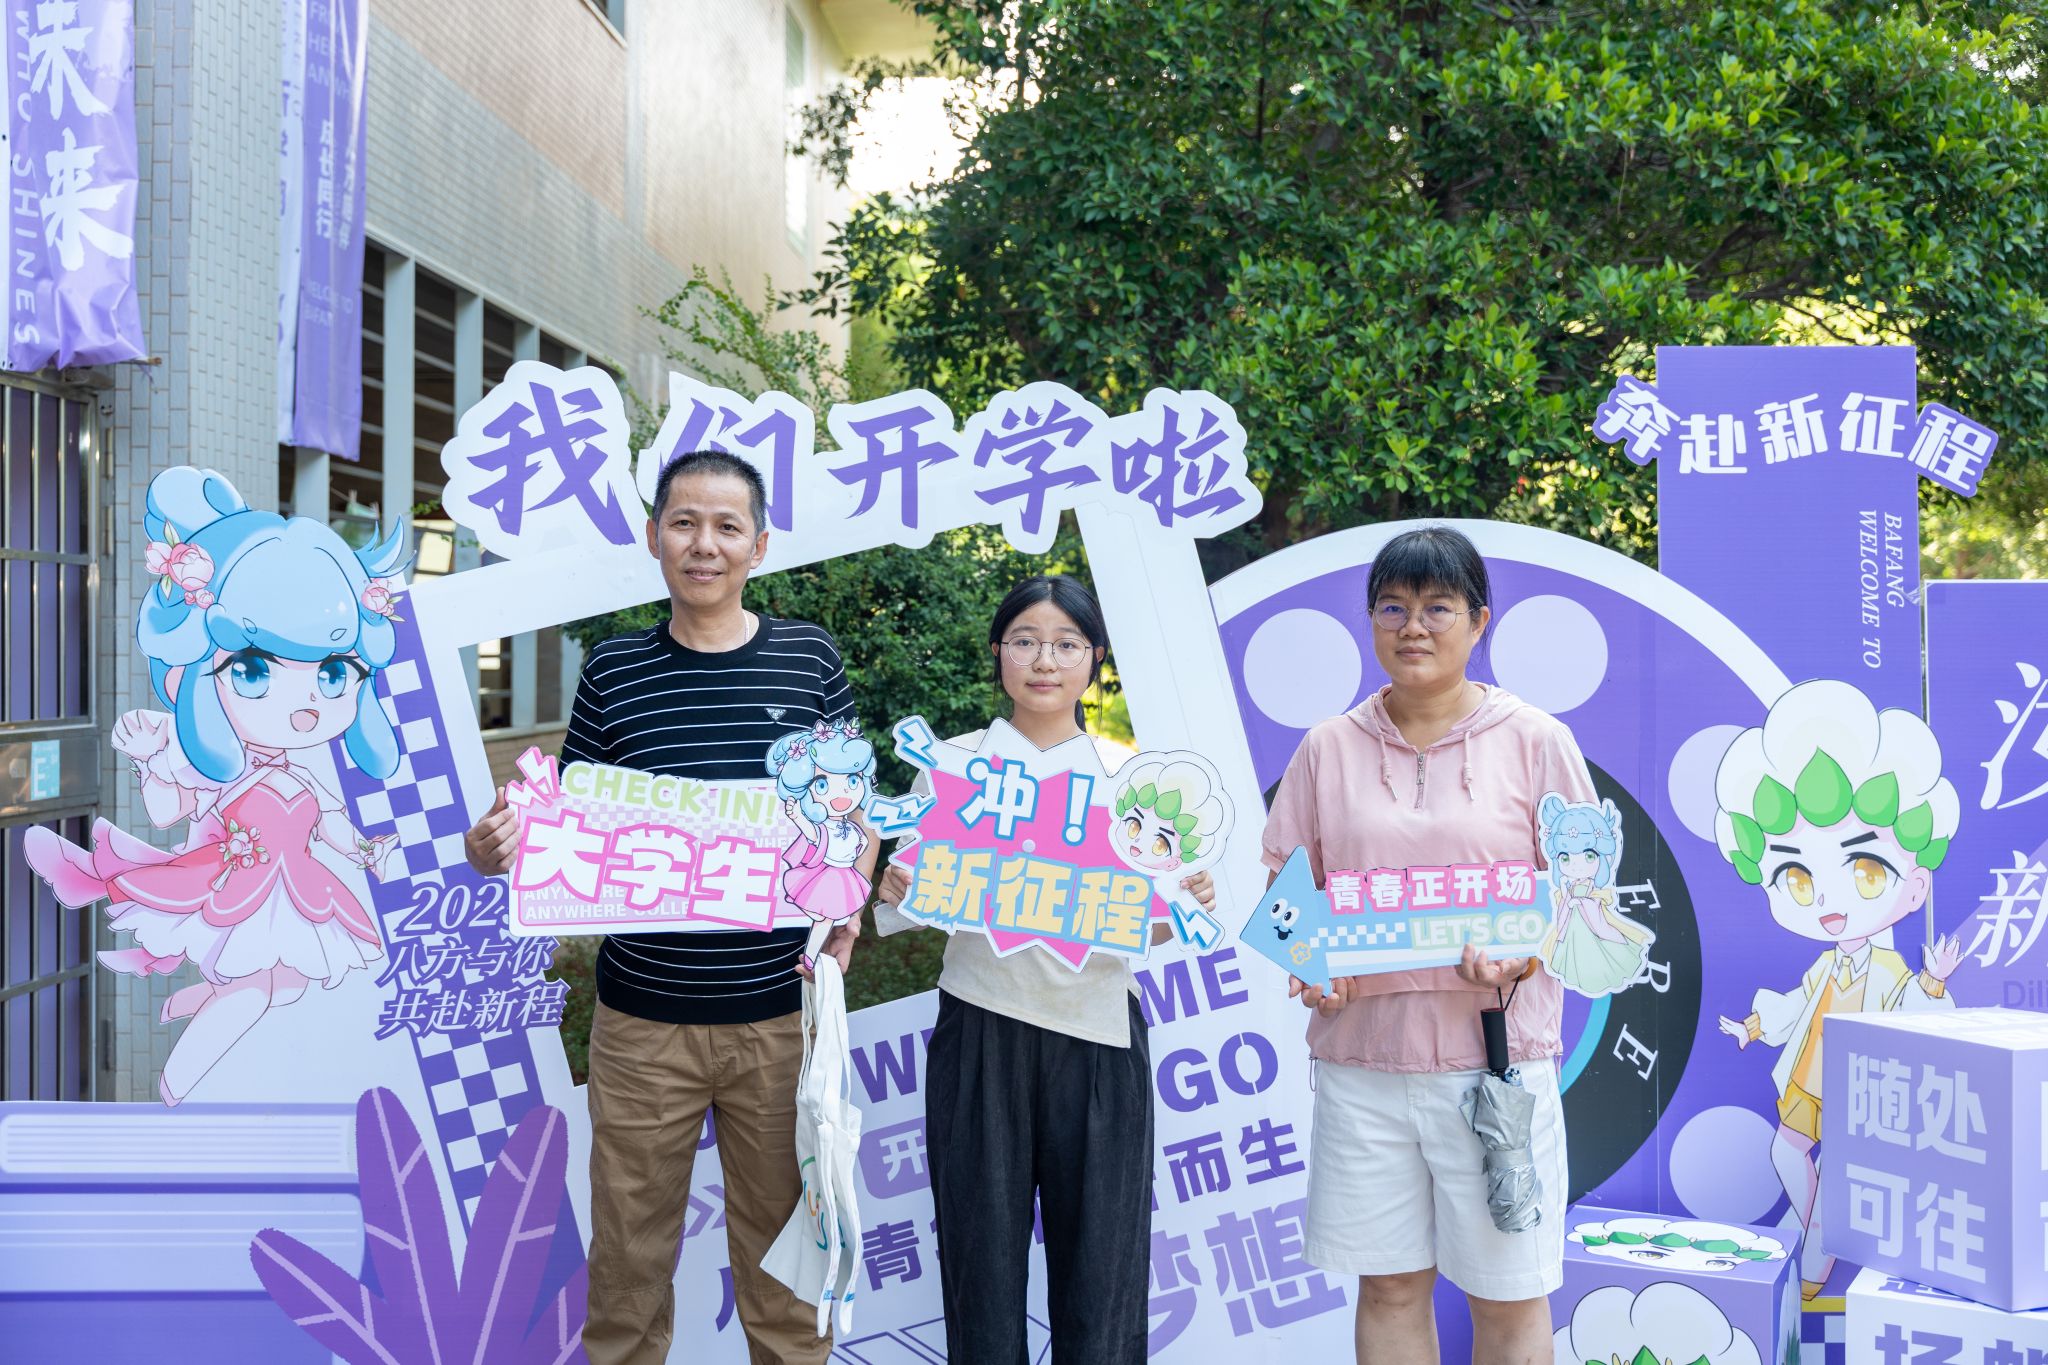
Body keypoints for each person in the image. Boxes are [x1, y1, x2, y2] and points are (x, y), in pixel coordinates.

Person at [463, 450, 865, 1365]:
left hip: (780, 1021)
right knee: (626, 1274)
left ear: (760, 544)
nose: (704, 543)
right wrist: (496, 847)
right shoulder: (615, 670)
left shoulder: (809, 657)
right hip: (643, 1027)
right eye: (684, 522)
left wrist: (848, 902)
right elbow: (566, 820)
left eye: (727, 526)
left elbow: (848, 815)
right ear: (654, 537)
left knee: (786, 1278)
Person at [1264, 526, 1595, 1365]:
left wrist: (1526, 954)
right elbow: (1282, 890)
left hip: (1495, 1069)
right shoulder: (1328, 747)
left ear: (1479, 620)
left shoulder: (1535, 741)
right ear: (1372, 621)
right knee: (1389, 1286)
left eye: (1437, 607)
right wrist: (1312, 965)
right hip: (1363, 1070)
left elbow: (1584, 891)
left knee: (1509, 1292)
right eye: (1393, 607)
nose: (1413, 626)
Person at [873, 574, 1215, 1364]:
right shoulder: (952, 765)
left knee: (1103, 1277)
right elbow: (916, 896)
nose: (1044, 660)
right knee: (980, 1270)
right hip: (979, 1030)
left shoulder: (1135, 781)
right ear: (998, 652)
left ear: (1095, 659)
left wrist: (1182, 901)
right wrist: (897, 885)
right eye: (1025, 640)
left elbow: (1150, 921)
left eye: (1066, 644)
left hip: (1098, 1038)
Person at [26, 466, 403, 1106]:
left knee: (287, 986)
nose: (305, 705)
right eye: (254, 670)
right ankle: (177, 1096)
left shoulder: (306, 771)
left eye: (333, 675)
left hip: (297, 892)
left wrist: (370, 852)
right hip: (235, 891)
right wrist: (150, 759)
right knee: (256, 990)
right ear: (196, 671)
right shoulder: (216, 765)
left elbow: (332, 825)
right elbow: (166, 809)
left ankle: (210, 1007)